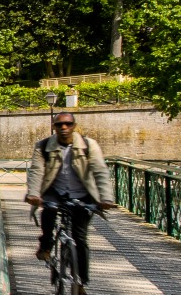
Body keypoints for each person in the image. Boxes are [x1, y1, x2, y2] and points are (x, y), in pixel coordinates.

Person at [24, 112, 117, 295]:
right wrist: (34, 194)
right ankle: (46, 246)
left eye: (68, 124)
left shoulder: (88, 145)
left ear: (74, 126)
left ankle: (81, 282)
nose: (64, 128)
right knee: (48, 211)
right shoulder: (43, 146)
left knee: (80, 239)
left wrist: (106, 198)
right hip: (55, 192)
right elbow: (36, 171)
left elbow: (100, 171)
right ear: (54, 127)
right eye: (59, 125)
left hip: (82, 194)